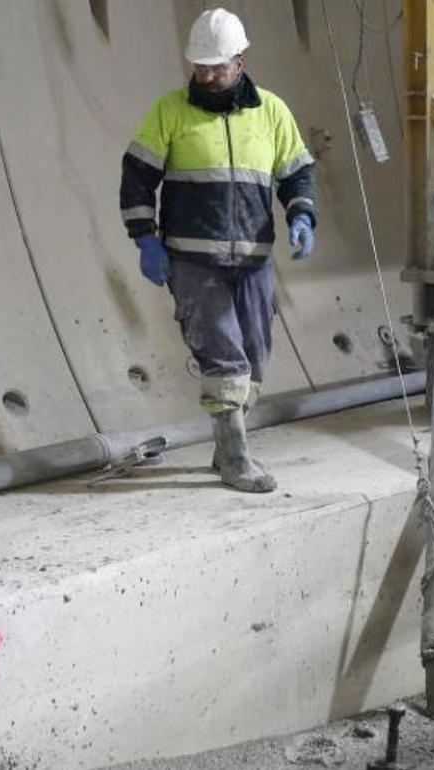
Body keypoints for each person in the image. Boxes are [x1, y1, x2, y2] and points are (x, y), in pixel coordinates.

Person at [119, 8, 317, 493]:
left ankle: (225, 443)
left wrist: (302, 215)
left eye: (217, 67)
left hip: (252, 259)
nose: (206, 75)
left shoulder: (271, 111)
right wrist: (145, 238)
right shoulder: (170, 111)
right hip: (192, 262)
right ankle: (235, 460)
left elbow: (295, 172)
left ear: (240, 62)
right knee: (224, 358)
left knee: (256, 354)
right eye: (200, 67)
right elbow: (137, 177)